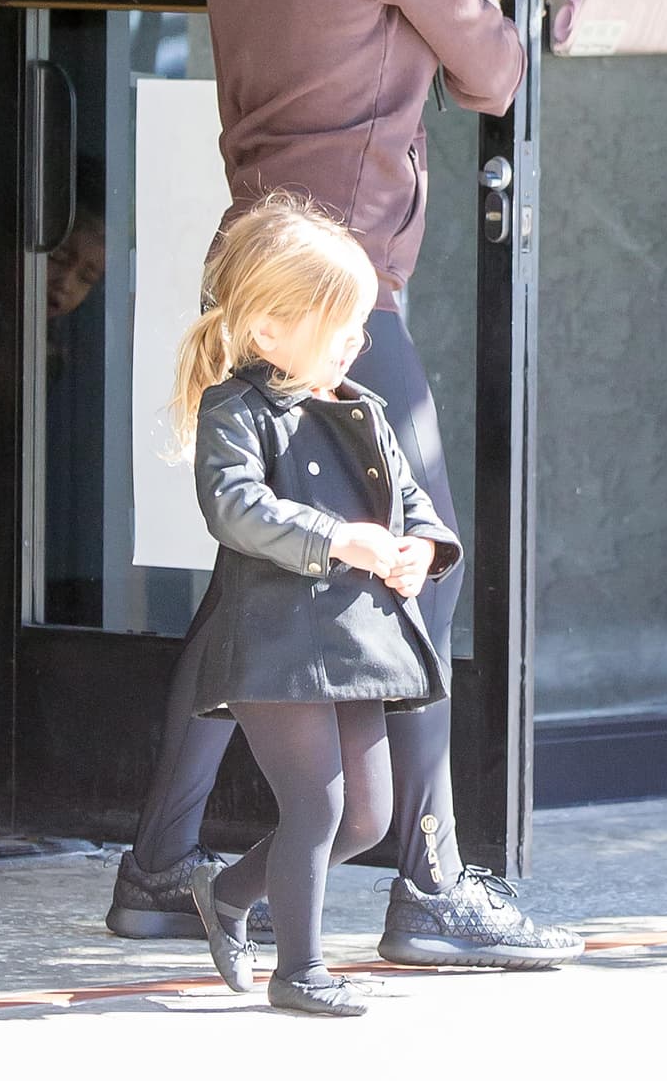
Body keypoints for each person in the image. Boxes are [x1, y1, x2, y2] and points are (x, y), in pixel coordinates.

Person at [108, 0, 584, 969]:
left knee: (251, 578)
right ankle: (428, 887)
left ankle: (156, 871)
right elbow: (493, 72)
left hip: (256, 266)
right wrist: (477, 3)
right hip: (340, 295)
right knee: (421, 562)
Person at [175, 196, 457, 1015]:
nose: (355, 343)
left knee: (366, 816)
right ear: (269, 331)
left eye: (358, 325)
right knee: (317, 803)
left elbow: (410, 498)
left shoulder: (359, 407)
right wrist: (337, 537)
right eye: (339, 327)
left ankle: (228, 893)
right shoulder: (235, 410)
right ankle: (299, 970)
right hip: (275, 646)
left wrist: (422, 547)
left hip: (351, 639)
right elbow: (235, 506)